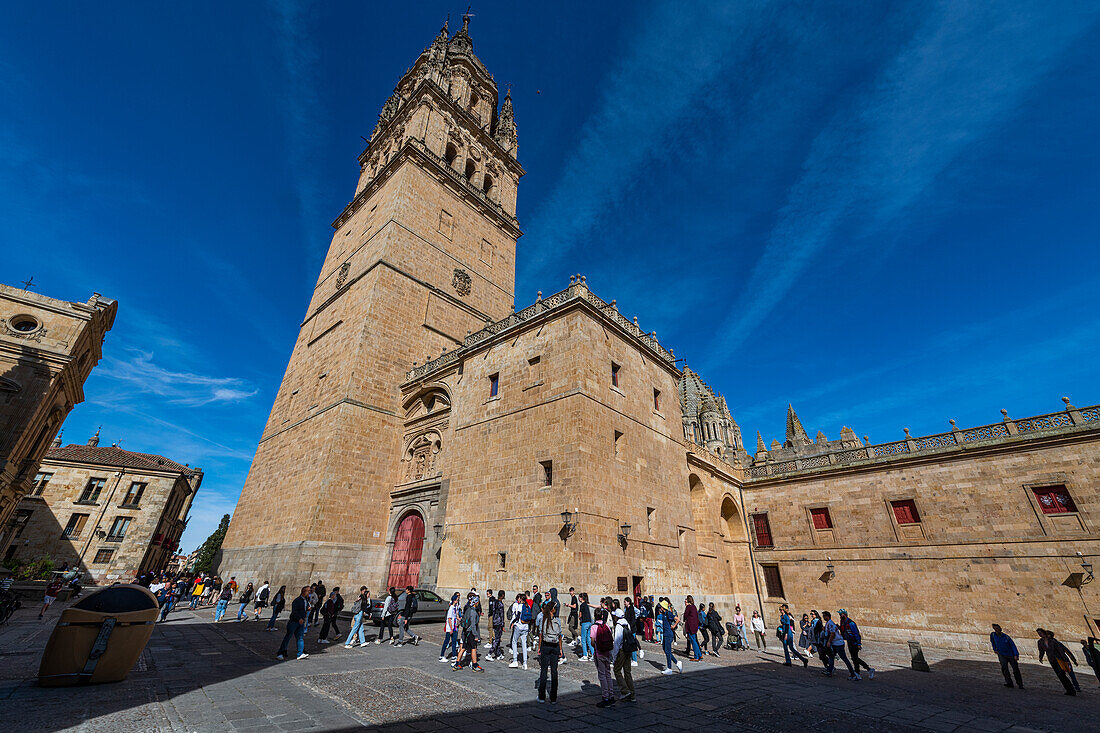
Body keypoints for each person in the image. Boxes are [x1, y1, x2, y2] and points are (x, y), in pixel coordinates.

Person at [536, 598, 564, 703]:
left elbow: (540, 635)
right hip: (555, 646)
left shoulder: (544, 619)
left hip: (545, 646)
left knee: (543, 671)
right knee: (554, 671)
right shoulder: (557, 621)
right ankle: (553, 698)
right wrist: (560, 649)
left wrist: (539, 647)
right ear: (553, 610)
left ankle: (542, 696)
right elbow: (560, 636)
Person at [1037, 628, 1076, 695]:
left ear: (1044, 633)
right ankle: (1068, 690)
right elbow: (1041, 651)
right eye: (1038, 633)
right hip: (1052, 660)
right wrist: (1040, 658)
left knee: (1062, 674)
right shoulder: (1040, 642)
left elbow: (1060, 650)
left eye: (1040, 633)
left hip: (1059, 659)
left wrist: (1064, 659)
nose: (1040, 634)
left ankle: (1072, 690)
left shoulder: (1052, 641)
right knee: (1059, 675)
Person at [276, 586, 311, 661]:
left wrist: (307, 609)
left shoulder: (306, 600)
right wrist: (299, 618)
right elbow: (294, 611)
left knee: (300, 638)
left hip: (301, 622)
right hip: (294, 622)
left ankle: (300, 653)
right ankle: (280, 653)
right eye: (308, 591)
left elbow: (303, 609)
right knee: (288, 637)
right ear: (304, 591)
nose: (309, 592)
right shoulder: (297, 600)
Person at [591, 608, 616, 707]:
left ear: (594, 616)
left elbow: (592, 641)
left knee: (602, 675)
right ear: (602, 616)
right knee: (608, 674)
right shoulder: (606, 626)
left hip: (599, 653)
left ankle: (605, 697)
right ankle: (611, 695)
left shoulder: (594, 627)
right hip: (607, 652)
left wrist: (595, 647)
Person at [822, 611, 858, 680]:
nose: (823, 617)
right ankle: (830, 670)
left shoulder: (830, 623)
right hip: (835, 643)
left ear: (828, 616)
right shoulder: (828, 623)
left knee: (844, 658)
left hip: (838, 644)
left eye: (824, 616)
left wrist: (829, 642)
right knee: (831, 656)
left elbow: (833, 634)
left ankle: (853, 674)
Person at [453, 592, 483, 671]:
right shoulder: (473, 612)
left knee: (463, 647)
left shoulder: (468, 609)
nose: (478, 603)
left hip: (466, 631)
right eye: (477, 602)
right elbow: (473, 625)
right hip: (470, 632)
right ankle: (475, 665)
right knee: (473, 648)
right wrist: (476, 636)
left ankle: (457, 664)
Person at [612, 608, 637, 702]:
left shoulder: (618, 626)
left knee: (617, 670)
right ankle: (632, 694)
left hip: (622, 650)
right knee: (627, 671)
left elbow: (617, 642)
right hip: (628, 649)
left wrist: (614, 656)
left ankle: (625, 691)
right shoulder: (627, 623)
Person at [839, 610, 874, 678]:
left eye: (841, 615)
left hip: (854, 642)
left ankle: (866, 670)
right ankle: (859, 672)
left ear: (845, 615)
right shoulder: (843, 622)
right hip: (849, 642)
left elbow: (856, 634)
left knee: (855, 658)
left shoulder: (851, 623)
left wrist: (859, 643)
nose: (840, 616)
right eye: (840, 615)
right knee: (854, 658)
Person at [989, 624, 1023, 689]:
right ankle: (1009, 682)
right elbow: (992, 642)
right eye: (995, 629)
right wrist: (995, 649)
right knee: (1004, 669)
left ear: (1000, 629)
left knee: (1015, 669)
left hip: (1011, 655)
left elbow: (1013, 646)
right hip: (1001, 655)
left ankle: (1020, 684)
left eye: (997, 628)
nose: (996, 630)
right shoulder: (993, 635)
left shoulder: (1006, 637)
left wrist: (1016, 655)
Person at [657, 599, 682, 674]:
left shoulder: (669, 613)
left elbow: (677, 619)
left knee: (668, 651)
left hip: (668, 634)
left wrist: (674, 626)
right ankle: (677, 663)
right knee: (665, 649)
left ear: (663, 607)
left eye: (661, 606)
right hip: (665, 634)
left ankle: (669, 669)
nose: (660, 608)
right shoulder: (664, 614)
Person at [510, 592, 531, 669]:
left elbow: (517, 616)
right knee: (524, 644)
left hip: (519, 626)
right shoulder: (527, 606)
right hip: (526, 626)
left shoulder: (520, 606)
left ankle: (515, 660)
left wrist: (512, 623)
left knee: (514, 642)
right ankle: (525, 663)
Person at [440, 592, 461, 662]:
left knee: (454, 641)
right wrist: (451, 628)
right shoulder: (451, 608)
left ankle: (454, 656)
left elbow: (455, 616)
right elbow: (449, 619)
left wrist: (458, 619)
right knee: (446, 641)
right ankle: (441, 656)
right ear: (454, 600)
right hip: (450, 628)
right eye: (456, 600)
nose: (457, 601)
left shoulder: (454, 608)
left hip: (454, 627)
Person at [490, 590, 506, 660]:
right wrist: (503, 625)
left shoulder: (494, 602)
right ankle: (489, 653)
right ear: (502, 595)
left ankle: (498, 654)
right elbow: (502, 615)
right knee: (497, 639)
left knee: (497, 639)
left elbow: (492, 612)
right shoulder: (500, 604)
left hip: (494, 622)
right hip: (499, 623)